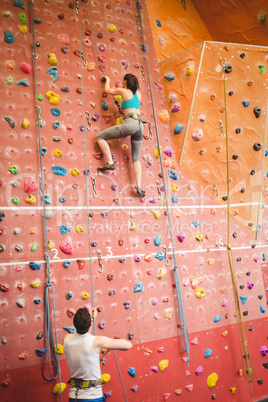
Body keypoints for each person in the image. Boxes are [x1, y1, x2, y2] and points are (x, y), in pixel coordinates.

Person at [63, 306, 132, 402]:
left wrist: (90, 319)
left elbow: (84, 339)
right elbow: (128, 345)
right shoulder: (96, 341)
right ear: (89, 325)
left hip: (74, 397)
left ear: (74, 324)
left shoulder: (66, 339)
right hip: (92, 397)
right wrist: (107, 346)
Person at [95, 73, 146, 198]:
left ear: (125, 82)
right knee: (136, 159)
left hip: (130, 123)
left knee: (100, 137)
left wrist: (107, 79)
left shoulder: (123, 91)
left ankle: (110, 162)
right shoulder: (138, 94)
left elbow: (107, 90)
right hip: (140, 126)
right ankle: (139, 187)